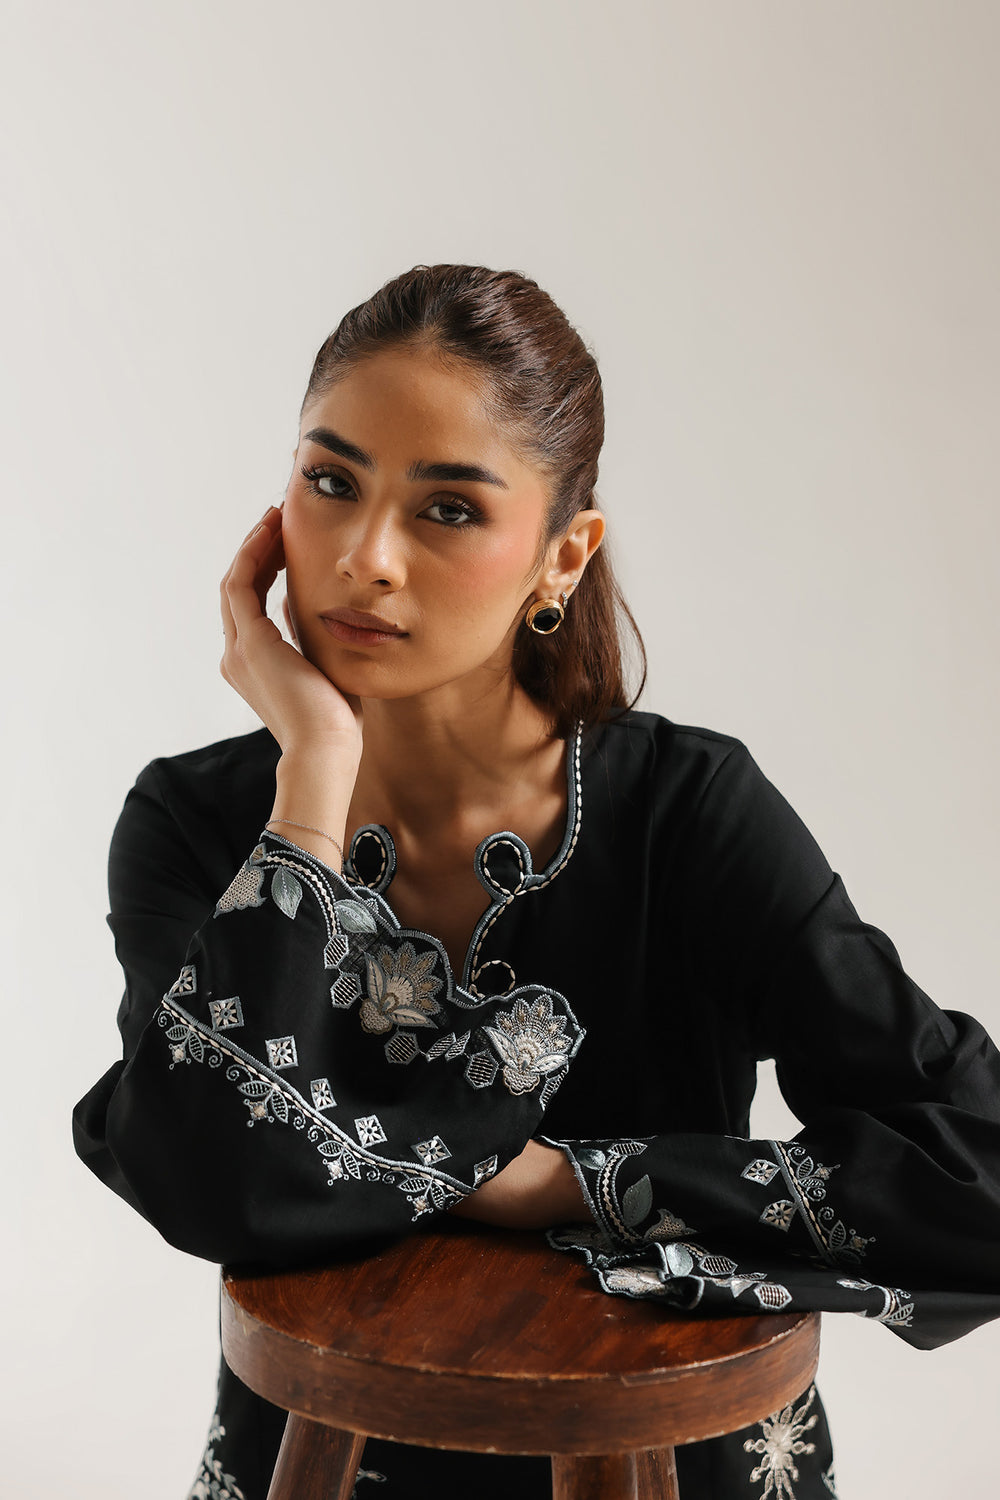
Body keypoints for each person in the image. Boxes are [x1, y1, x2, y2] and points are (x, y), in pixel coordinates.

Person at [73, 263, 1000, 1500]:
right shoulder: (199, 821)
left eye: (448, 509)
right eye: (331, 482)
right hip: (327, 1460)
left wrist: (566, 1183)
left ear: (563, 557)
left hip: (671, 1467)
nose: (364, 557)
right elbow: (204, 1177)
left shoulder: (686, 813)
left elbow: (980, 1169)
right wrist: (313, 780)